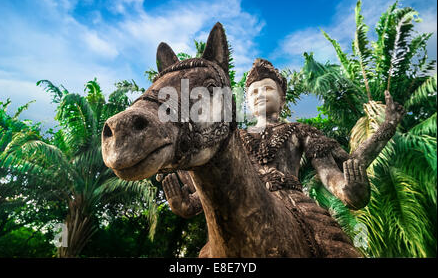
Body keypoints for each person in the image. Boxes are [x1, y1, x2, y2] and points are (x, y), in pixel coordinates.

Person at [160, 58, 403, 217]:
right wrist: (188, 203)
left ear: (282, 98)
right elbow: (218, 183)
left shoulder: (300, 131)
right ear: (247, 101)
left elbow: (334, 172)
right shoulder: (234, 138)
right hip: (242, 210)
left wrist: (347, 189)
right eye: (253, 92)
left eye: (267, 88)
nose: (259, 95)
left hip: (293, 207)